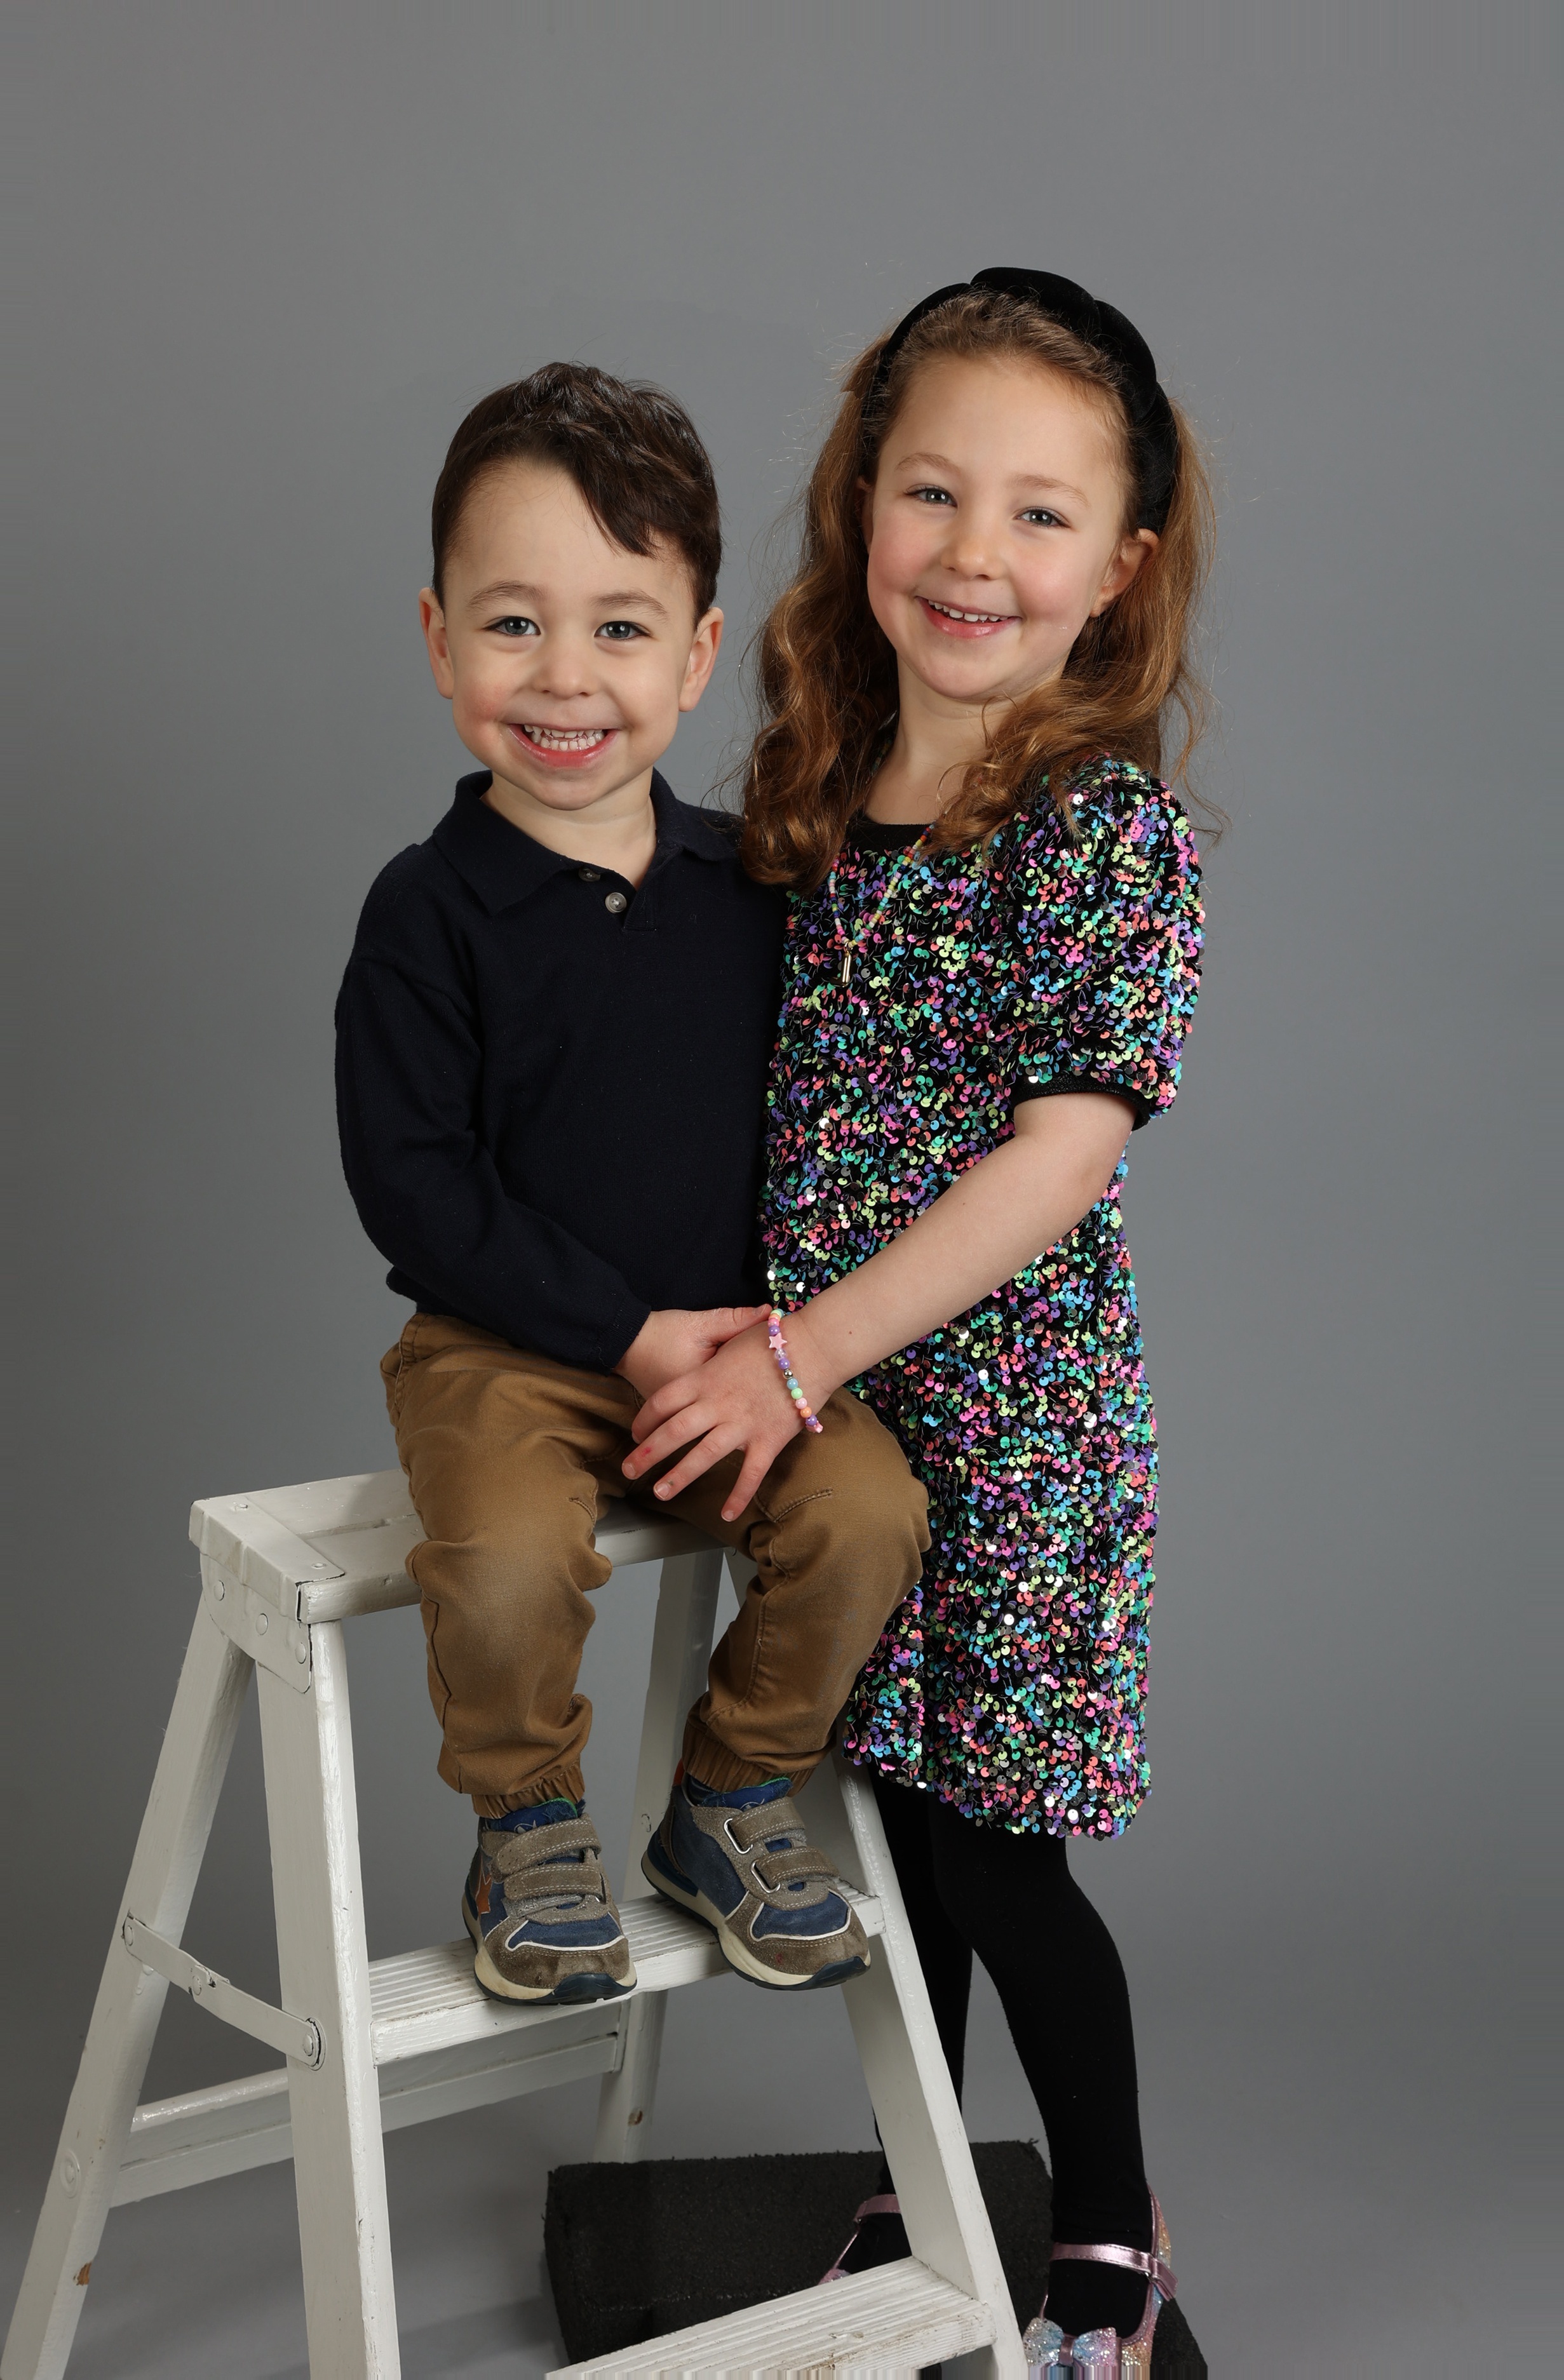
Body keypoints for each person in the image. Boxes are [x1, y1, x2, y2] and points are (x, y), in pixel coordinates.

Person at [623, 273, 1210, 2367]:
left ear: (1119, 567)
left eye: (1042, 514)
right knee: (880, 1833)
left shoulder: (1099, 832)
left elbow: (1056, 1158)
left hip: (1015, 1436)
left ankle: (1111, 2221)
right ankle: (926, 2162)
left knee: (992, 1858)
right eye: (934, 491)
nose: (976, 553)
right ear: (862, 499)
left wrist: (800, 1348)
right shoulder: (821, 789)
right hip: (853, 1441)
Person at [335, 363, 930, 2011]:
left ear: (697, 652)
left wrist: (758, 1340)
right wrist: (626, 1332)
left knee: (870, 1513)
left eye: (619, 626)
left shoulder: (754, 885)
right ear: (440, 637)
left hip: (733, 1354)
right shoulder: (427, 913)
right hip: (505, 1352)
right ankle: (527, 1827)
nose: (566, 675)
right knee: (508, 1564)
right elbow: (413, 1187)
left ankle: (730, 1796)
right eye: (513, 624)